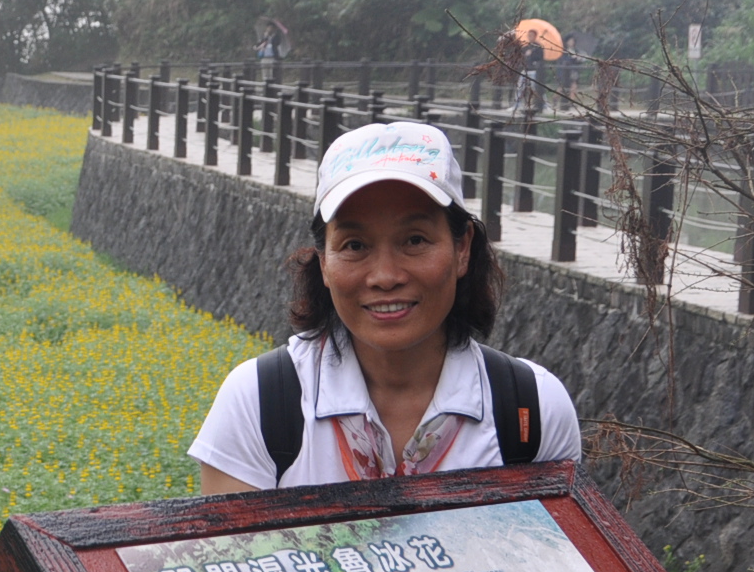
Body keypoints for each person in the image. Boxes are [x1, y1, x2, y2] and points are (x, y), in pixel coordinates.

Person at [190, 120, 581, 491]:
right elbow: (231, 560)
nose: (385, 276)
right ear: (324, 261)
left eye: (414, 240)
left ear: (462, 249)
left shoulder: (532, 410)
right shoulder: (258, 403)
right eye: (355, 246)